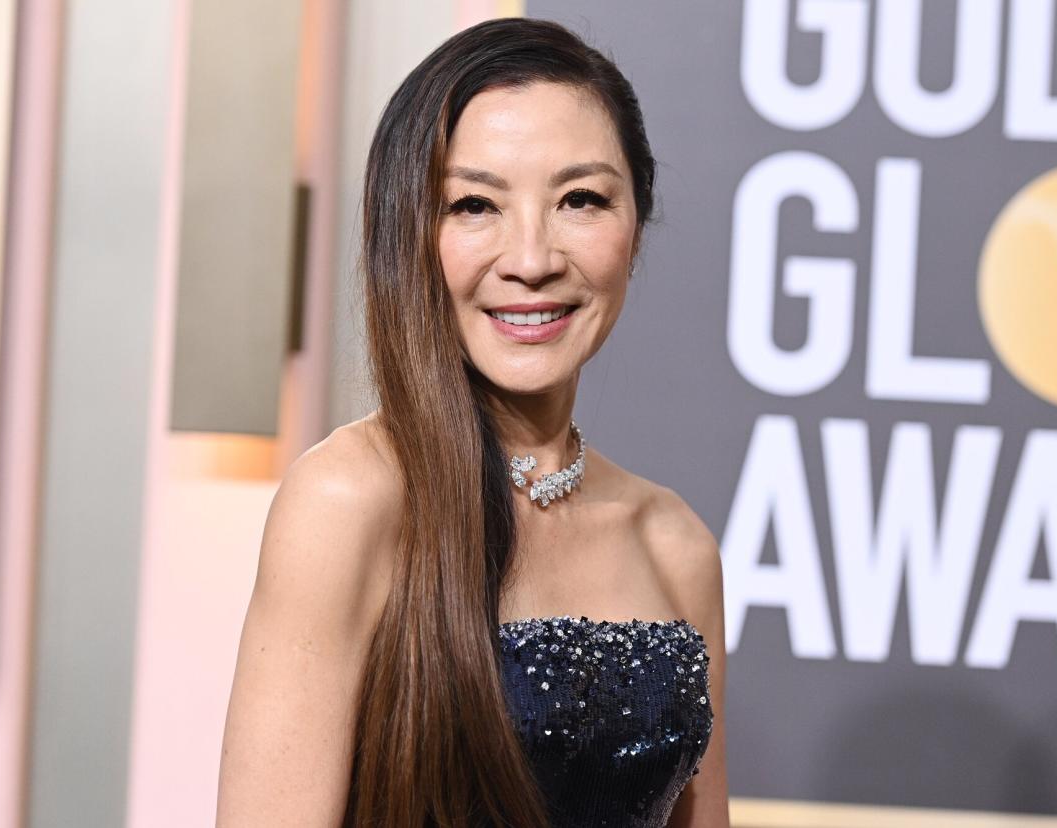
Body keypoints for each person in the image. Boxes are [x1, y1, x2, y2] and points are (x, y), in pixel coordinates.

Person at [216, 16, 728, 827]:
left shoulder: (676, 546)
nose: (530, 259)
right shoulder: (349, 500)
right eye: (475, 205)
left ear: (636, 229)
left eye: (581, 199)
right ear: (411, 234)